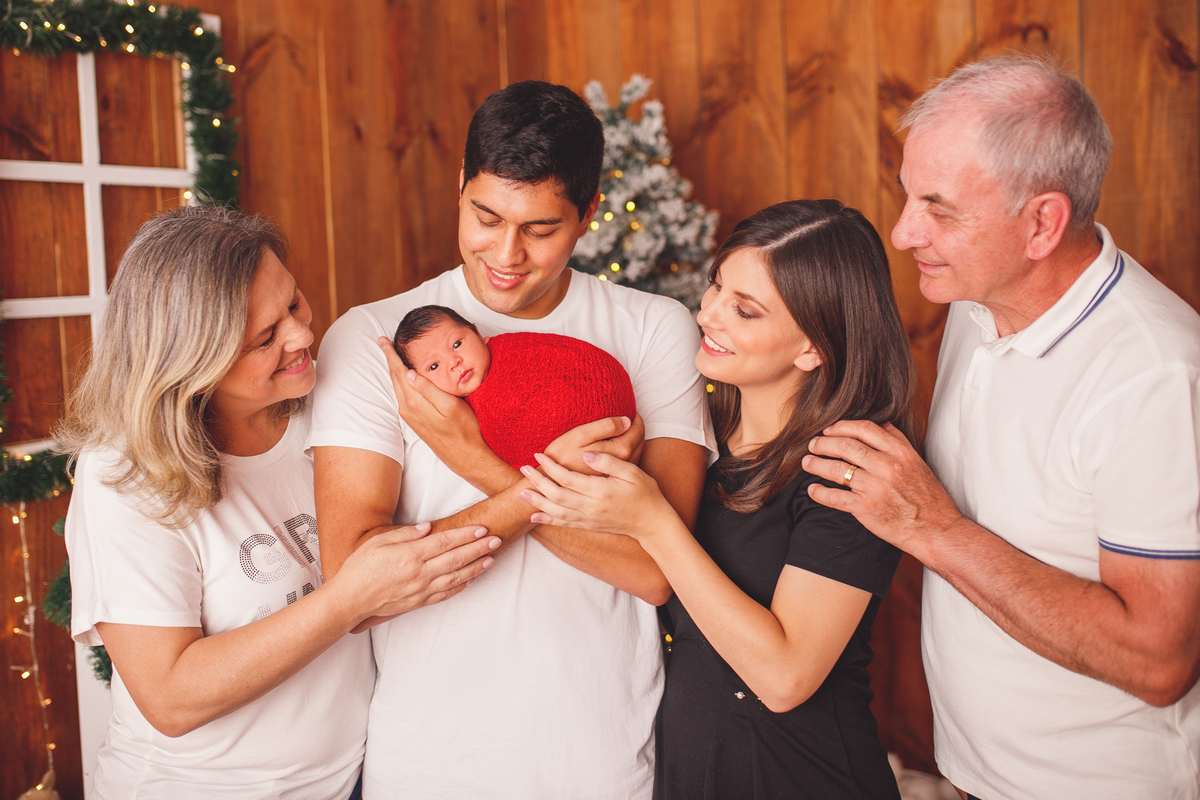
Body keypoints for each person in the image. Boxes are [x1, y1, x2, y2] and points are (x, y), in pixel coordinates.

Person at [802, 56, 1200, 800]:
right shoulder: (975, 298)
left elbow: (1158, 662)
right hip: (975, 778)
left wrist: (932, 529)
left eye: (939, 208)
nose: (902, 231)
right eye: (907, 196)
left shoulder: (1154, 378)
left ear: (1042, 223)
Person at [310, 80, 712, 798]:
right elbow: (357, 590)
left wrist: (473, 459)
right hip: (428, 761)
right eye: (485, 216)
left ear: (589, 213)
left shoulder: (654, 330)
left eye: (540, 229)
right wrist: (551, 491)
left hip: (602, 755)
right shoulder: (375, 339)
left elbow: (658, 572)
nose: (505, 254)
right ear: (461, 186)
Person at [57, 206, 499, 799]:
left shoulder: (321, 406)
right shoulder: (123, 472)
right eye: (265, 337)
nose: (301, 336)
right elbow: (169, 696)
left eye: (293, 303)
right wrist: (347, 599)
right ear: (190, 362)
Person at [520, 199, 911, 799]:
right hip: (692, 771)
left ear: (814, 348)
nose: (708, 314)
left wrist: (655, 524)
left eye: (744, 310)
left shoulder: (853, 468)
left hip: (802, 778)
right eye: (716, 286)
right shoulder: (699, 433)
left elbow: (784, 677)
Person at [392, 304, 636, 469]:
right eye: (434, 367)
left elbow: (570, 360)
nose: (454, 362)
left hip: (607, 413)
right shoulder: (463, 415)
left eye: (456, 344)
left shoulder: (517, 350)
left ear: (477, 333)